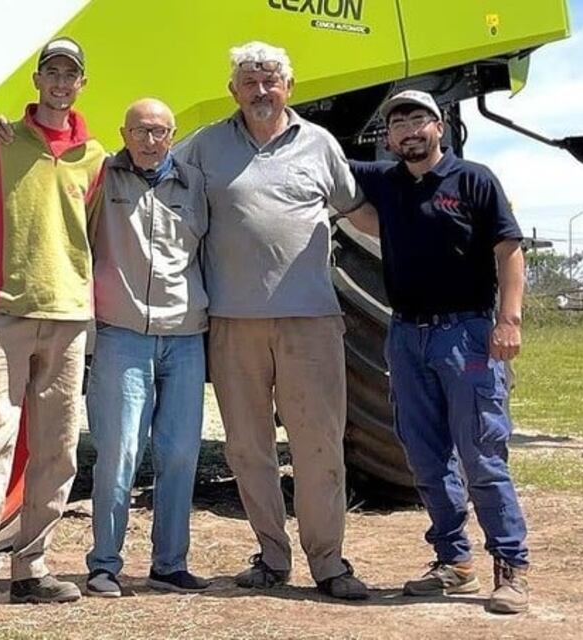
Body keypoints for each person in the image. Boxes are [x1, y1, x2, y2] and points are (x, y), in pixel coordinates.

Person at [0, 98, 212, 598]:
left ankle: (170, 564)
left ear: (173, 136)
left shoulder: (195, 185)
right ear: (124, 133)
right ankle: (104, 564)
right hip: (122, 334)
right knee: (119, 453)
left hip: (186, 337)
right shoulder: (102, 176)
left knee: (179, 454)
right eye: (141, 130)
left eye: (161, 131)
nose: (152, 140)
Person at [178, 41, 373, 600]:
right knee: (247, 447)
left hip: (310, 322)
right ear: (232, 90)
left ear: (288, 86)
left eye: (270, 81)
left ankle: (329, 562)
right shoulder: (206, 146)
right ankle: (271, 556)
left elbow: (360, 212)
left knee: (318, 446)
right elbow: (160, 188)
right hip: (232, 323)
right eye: (249, 81)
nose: (261, 90)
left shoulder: (320, 144)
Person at [0, 36, 107, 618]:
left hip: (69, 318)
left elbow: (96, 238)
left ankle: (32, 568)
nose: (60, 82)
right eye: (51, 72)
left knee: (57, 450)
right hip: (5, 315)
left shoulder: (95, 158)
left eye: (70, 74)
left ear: (82, 84)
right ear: (38, 80)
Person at [344, 90, 530, 614]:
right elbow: (324, 157)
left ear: (439, 126)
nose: (407, 131)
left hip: (467, 336)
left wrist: (508, 320)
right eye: (396, 123)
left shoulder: (475, 180)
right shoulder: (385, 182)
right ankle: (454, 562)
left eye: (417, 120)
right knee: (425, 456)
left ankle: (510, 566)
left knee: (481, 455)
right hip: (406, 337)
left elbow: (509, 250)